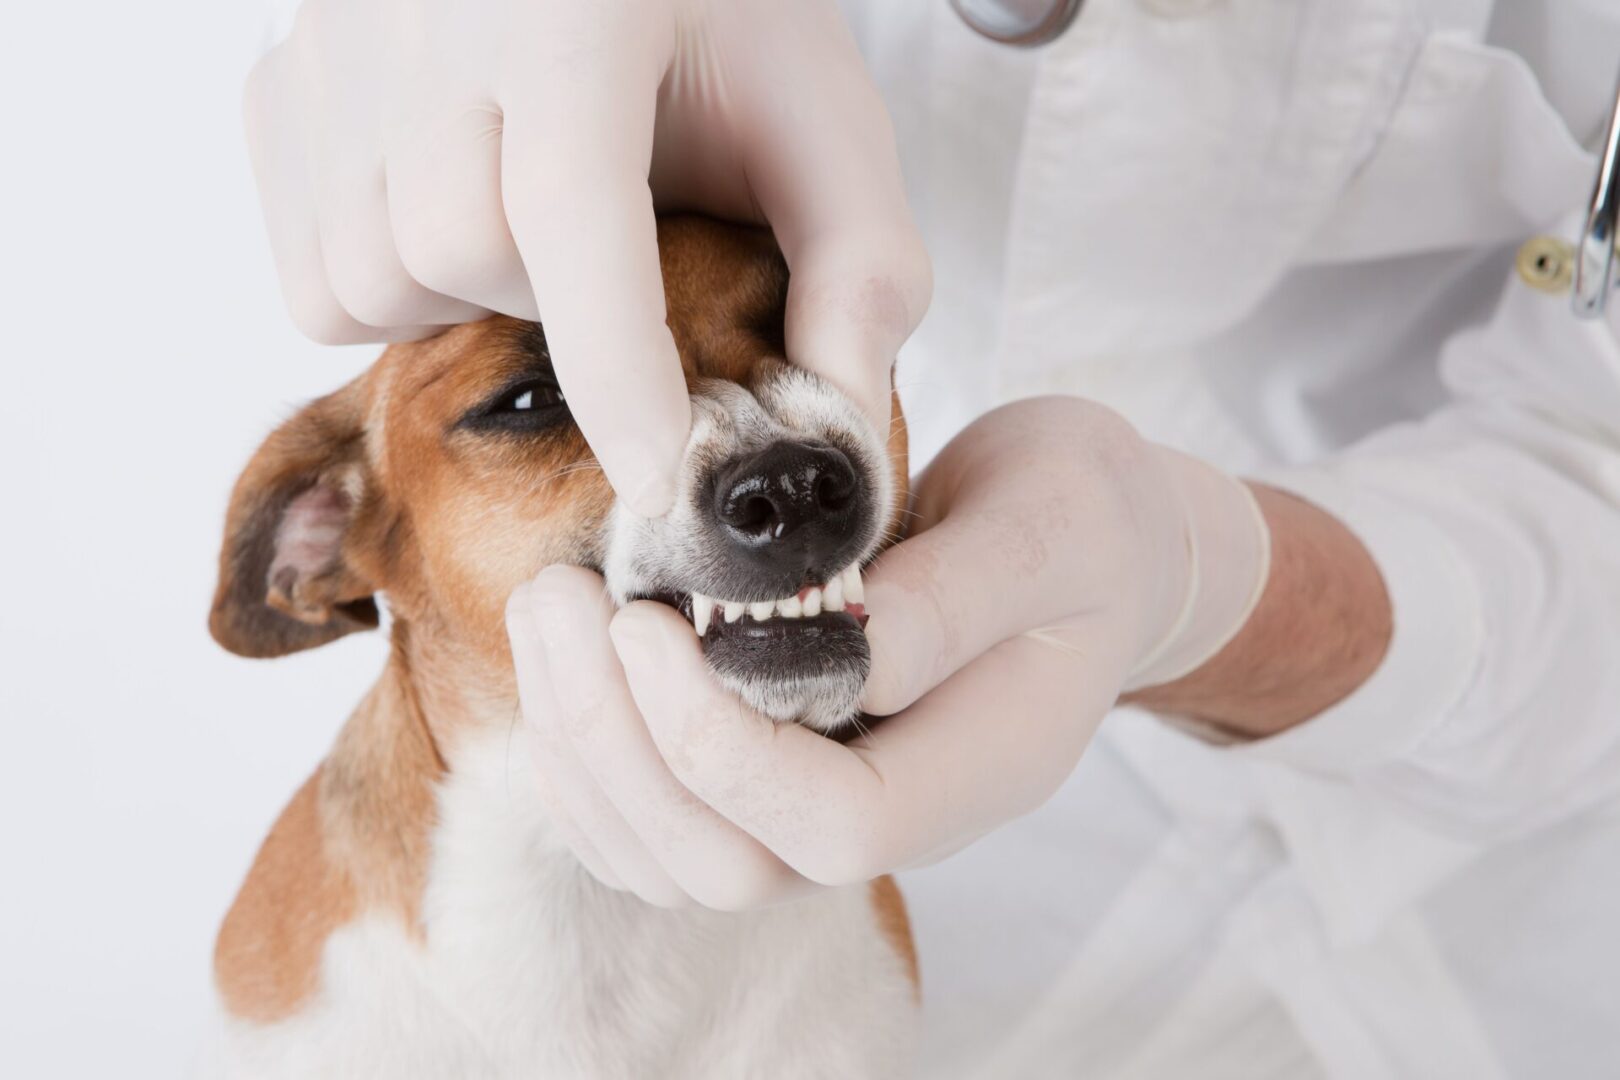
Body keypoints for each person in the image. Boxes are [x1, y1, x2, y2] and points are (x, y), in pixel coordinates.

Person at [244, 0, 1620, 1074]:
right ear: (328, 550)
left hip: (1526, 907)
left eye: (783, 329)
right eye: (533, 404)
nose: (766, 467)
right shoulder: (290, 1010)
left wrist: (1211, 584)